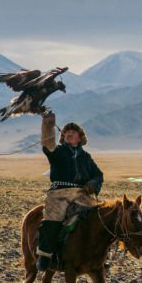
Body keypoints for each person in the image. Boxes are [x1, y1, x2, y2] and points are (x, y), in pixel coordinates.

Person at [36, 110, 104, 271]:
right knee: (53, 219)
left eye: (73, 132)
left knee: (97, 218)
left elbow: (98, 175)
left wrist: (92, 185)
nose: (69, 134)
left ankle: (97, 256)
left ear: (80, 137)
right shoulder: (57, 152)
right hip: (59, 194)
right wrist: (48, 123)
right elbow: (47, 143)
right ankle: (45, 255)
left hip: (82, 194)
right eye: (66, 132)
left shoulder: (86, 157)